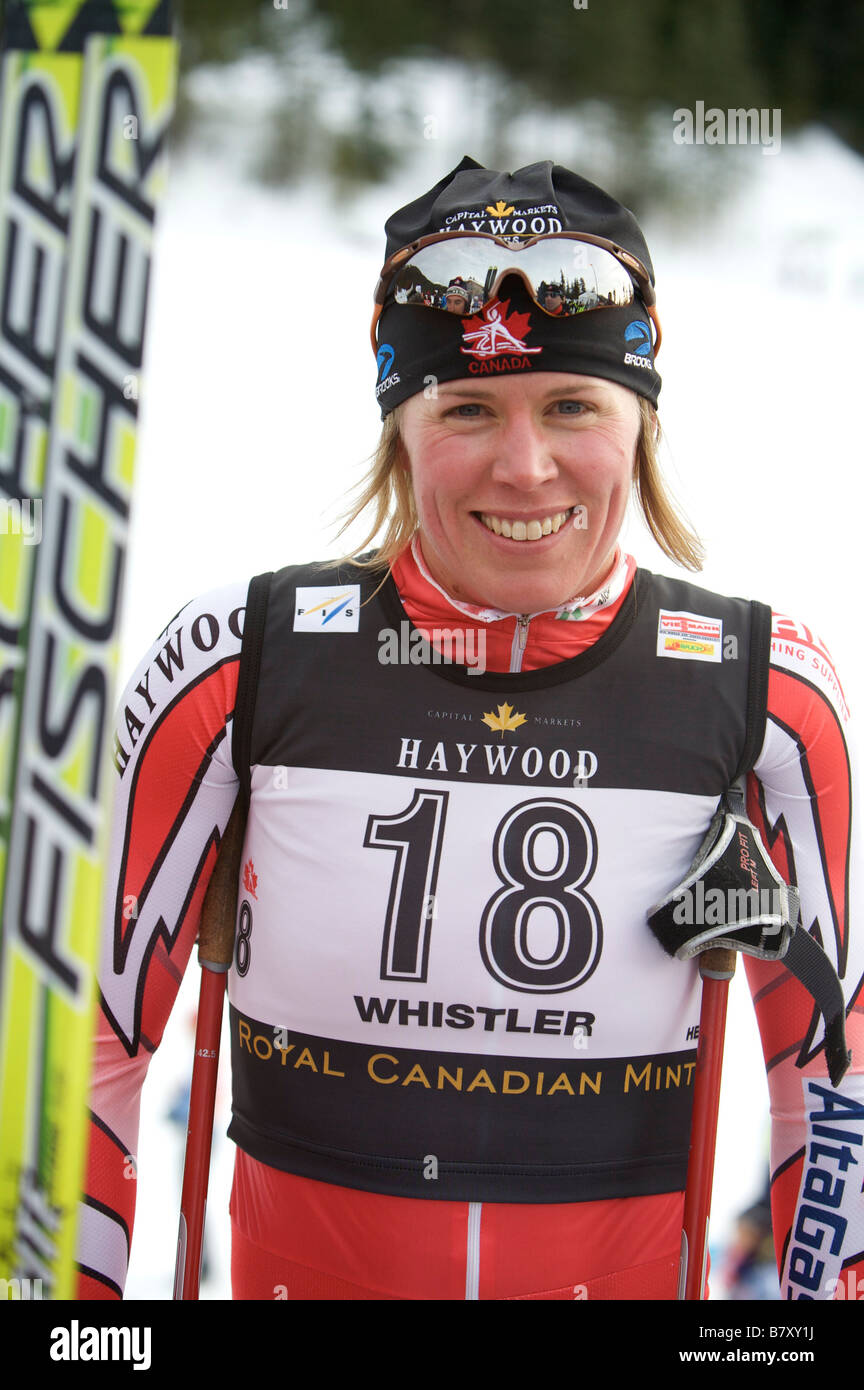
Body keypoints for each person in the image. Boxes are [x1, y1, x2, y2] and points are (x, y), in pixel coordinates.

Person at [78, 156, 863, 1301]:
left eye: (573, 405)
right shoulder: (240, 664)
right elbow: (81, 1060)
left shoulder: (764, 697)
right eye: (469, 409)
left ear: (640, 420)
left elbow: (834, 1089)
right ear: (401, 425)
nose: (526, 465)